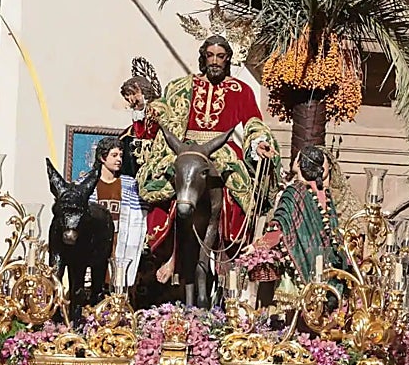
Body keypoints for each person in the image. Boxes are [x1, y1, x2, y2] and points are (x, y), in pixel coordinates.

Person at [138, 35, 280, 284]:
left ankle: (231, 248)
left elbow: (253, 122)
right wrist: (156, 110)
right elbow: (165, 110)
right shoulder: (181, 86)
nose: (215, 61)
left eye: (220, 56)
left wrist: (259, 143)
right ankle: (169, 253)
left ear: (228, 60)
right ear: (204, 57)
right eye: (210, 55)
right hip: (184, 147)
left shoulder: (241, 90)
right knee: (164, 184)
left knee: (239, 190)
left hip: (220, 148)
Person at [242, 146, 346, 289]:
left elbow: (279, 229)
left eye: (297, 157)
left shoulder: (294, 193)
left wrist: (256, 247)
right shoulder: (323, 192)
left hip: (300, 264)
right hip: (325, 265)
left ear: (299, 164)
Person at [88, 136, 145, 290]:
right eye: (114, 155)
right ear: (102, 157)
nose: (119, 159)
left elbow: (140, 211)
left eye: (120, 155)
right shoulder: (89, 183)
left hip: (119, 239)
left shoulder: (129, 184)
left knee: (118, 281)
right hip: (97, 240)